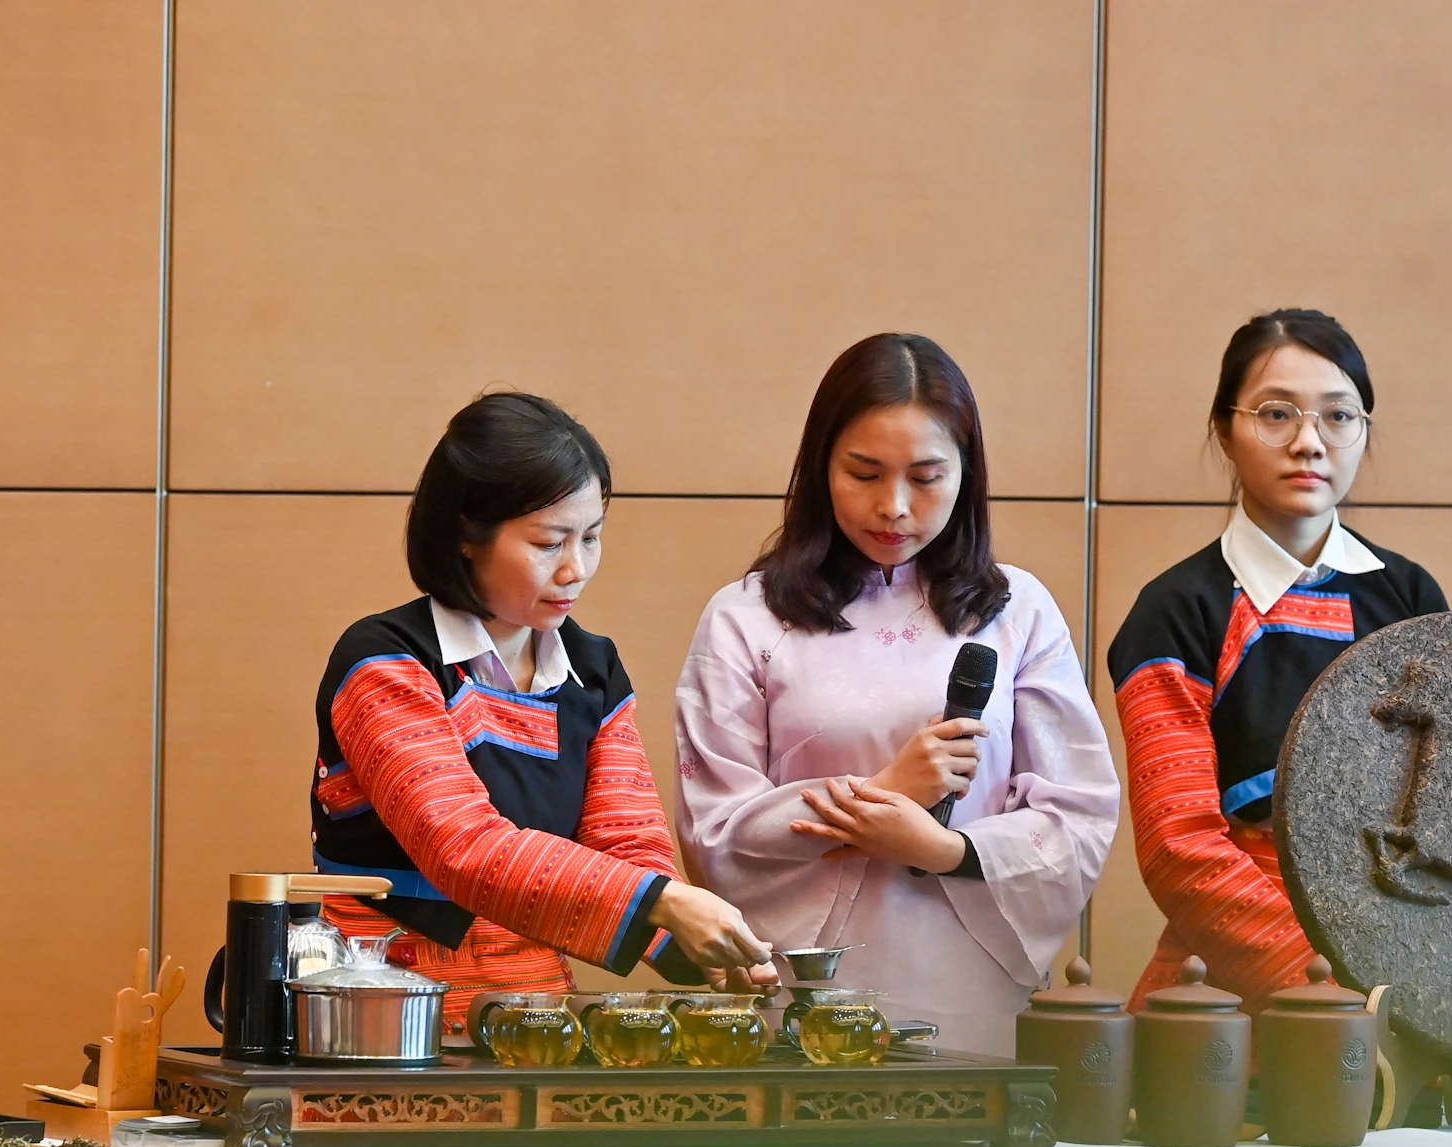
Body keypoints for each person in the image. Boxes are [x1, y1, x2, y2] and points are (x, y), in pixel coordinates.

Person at [673, 333, 1119, 1057]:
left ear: (966, 475)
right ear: (821, 467)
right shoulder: (745, 617)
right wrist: (880, 794)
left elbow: (1081, 814)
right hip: (804, 984)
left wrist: (945, 849)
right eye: (865, 473)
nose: (895, 507)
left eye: (926, 475)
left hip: (973, 985)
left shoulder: (1020, 611)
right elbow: (712, 831)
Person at [310, 392, 776, 1036]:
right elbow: (463, 847)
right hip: (379, 1006)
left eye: (591, 537)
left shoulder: (593, 668)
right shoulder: (386, 659)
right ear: (465, 536)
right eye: (548, 542)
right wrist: (669, 905)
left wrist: (707, 956)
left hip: (534, 1014)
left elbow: (627, 842)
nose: (575, 569)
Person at [1107, 309, 1448, 1012]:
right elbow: (1180, 847)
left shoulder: (1412, 596)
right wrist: (1331, 992)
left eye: (1338, 417)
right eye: (1275, 414)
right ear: (1225, 431)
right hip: (1235, 997)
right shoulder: (1179, 607)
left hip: (1408, 977)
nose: (1309, 442)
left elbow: (1446, 809)